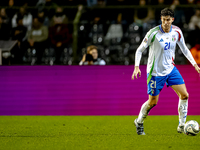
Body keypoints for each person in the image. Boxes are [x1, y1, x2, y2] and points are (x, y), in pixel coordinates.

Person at [131, 8, 200, 135]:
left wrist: (194, 64)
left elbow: (184, 49)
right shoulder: (153, 33)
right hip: (155, 72)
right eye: (163, 20)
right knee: (153, 102)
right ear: (161, 19)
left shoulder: (177, 32)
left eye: (168, 20)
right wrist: (136, 67)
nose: (165, 23)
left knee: (185, 95)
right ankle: (139, 121)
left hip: (170, 69)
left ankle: (181, 125)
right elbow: (140, 50)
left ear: (172, 20)